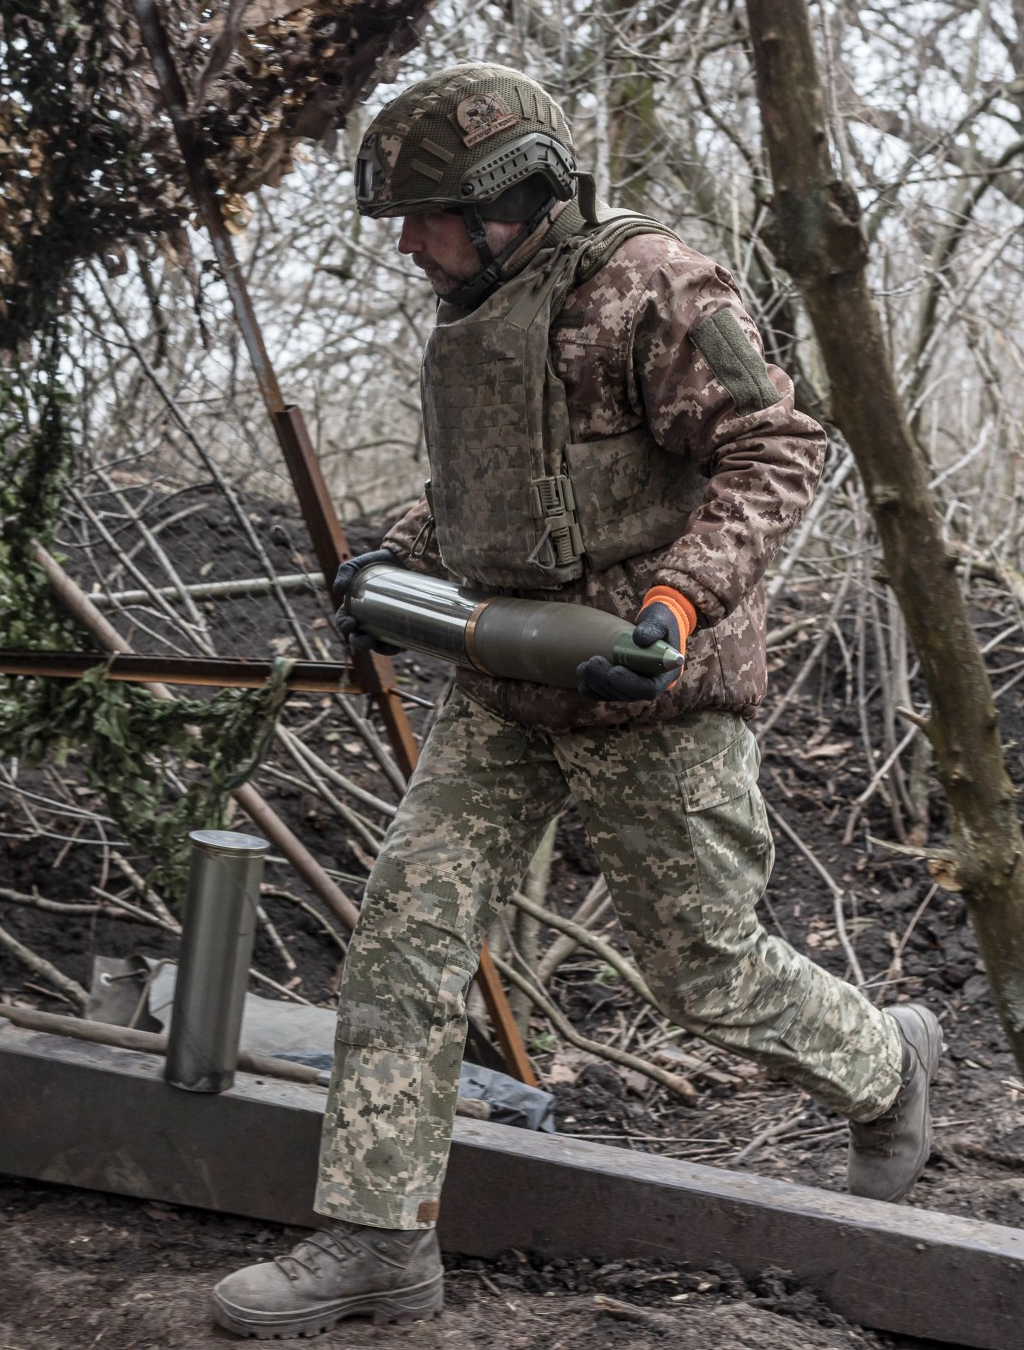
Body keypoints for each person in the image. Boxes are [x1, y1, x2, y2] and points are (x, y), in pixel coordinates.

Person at [211, 65, 942, 1340]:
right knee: (404, 935)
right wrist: (398, 561)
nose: (408, 245)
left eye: (426, 217)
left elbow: (778, 445)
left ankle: (886, 1066)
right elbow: (494, 490)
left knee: (702, 973)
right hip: (505, 686)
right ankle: (379, 1242)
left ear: (507, 198)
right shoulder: (474, 316)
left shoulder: (657, 286)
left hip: (651, 692)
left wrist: (676, 605)